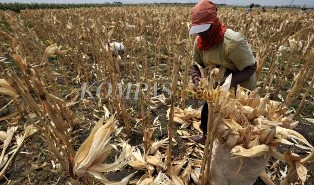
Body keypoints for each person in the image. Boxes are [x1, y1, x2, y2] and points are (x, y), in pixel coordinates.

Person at [189, 0, 257, 144]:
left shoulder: (233, 41)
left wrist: (227, 83)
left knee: (234, 121)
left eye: (204, 28)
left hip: (240, 86)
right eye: (198, 29)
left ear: (214, 23)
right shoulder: (199, 43)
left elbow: (251, 67)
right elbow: (195, 65)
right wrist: (196, 80)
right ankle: (206, 137)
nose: (201, 33)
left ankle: (230, 146)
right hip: (216, 86)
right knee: (208, 111)